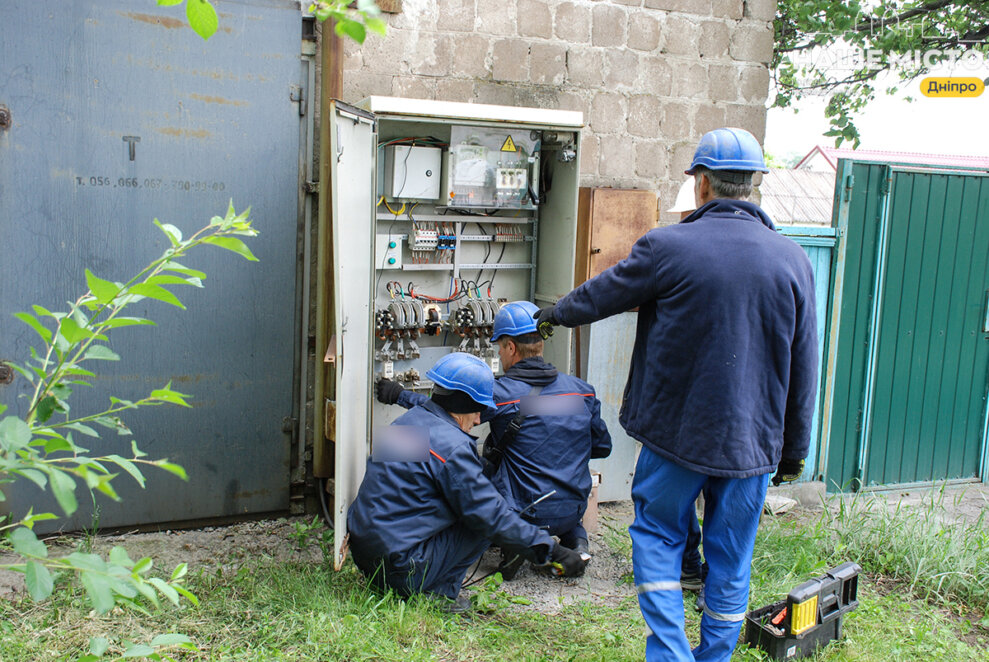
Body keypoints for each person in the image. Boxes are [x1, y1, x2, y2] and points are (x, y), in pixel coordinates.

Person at [533, 127, 818, 661]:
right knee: (731, 560)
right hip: (752, 447)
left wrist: (551, 314)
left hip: (675, 440)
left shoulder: (668, 247)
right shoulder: (793, 260)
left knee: (659, 542)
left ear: (702, 183)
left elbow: (603, 295)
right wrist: (793, 450)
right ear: (753, 186)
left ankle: (669, 653)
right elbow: (805, 365)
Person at [377, 301, 612, 579]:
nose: (499, 353)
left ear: (511, 347)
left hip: (524, 512)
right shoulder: (582, 392)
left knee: (478, 467)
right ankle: (577, 542)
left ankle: (517, 545)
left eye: (500, 347)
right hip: (572, 508)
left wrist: (396, 393)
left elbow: (445, 413)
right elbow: (602, 446)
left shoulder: (505, 394)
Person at [348, 352, 587, 614]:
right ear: (463, 405)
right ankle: (437, 595)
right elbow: (491, 516)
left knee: (475, 502)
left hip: (368, 558)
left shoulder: (407, 422)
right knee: (483, 520)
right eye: (477, 411)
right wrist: (551, 550)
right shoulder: (452, 447)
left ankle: (409, 580)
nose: (477, 420)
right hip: (402, 569)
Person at [666, 176, 705, 593]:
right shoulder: (780, 257)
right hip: (739, 421)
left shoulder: (675, 253)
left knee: (676, 500)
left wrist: (555, 315)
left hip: (686, 413)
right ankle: (705, 577)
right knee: (719, 509)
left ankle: (690, 568)